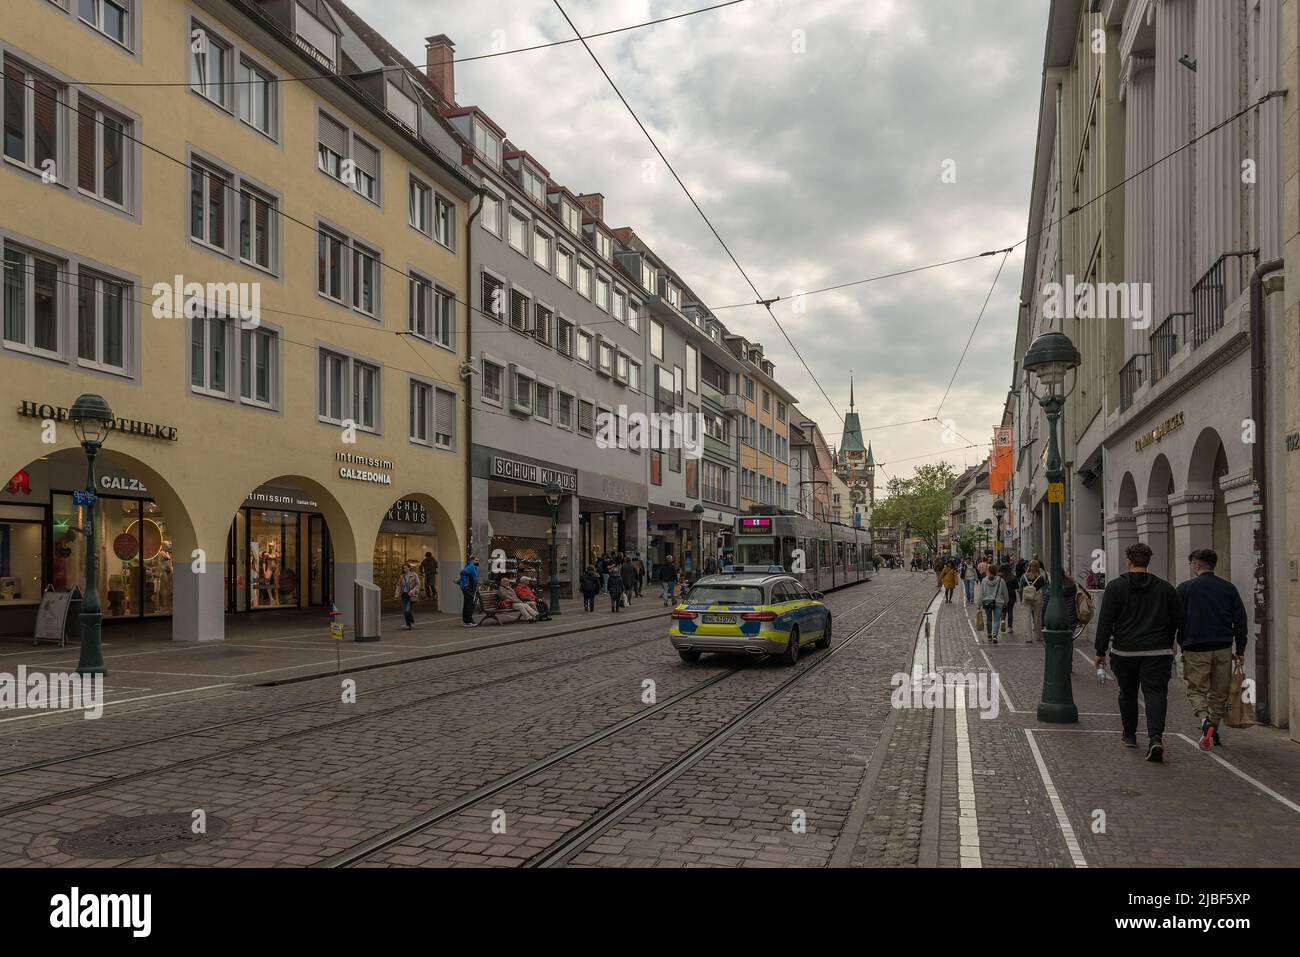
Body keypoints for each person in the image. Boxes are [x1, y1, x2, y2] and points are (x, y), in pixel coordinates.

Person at [1093, 543, 1184, 762]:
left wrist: (1100, 651)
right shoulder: (1165, 588)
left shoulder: (1115, 588)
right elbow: (1180, 620)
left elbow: (1105, 621)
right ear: (1147, 561)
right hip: (1158, 651)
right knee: (1156, 694)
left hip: (1125, 651)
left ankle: (1129, 734)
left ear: (1128, 561)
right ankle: (1155, 738)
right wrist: (1169, 641)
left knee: (1128, 693)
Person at [1176, 548, 1249, 750]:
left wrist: (1181, 643)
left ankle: (1204, 721)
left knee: (1197, 689)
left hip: (1195, 647)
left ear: (1197, 565)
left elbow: (1176, 619)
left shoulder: (1185, 588)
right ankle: (1213, 730)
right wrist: (1240, 649)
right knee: (1219, 692)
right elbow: (1240, 621)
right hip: (1223, 647)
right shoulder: (1228, 588)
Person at [1019, 560, 1047, 644]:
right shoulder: (1041, 577)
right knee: (1037, 617)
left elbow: (1020, 589)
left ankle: (1028, 637)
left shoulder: (1024, 577)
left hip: (1026, 597)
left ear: (1029, 567)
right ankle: (1038, 636)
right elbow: (1045, 590)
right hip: (1037, 597)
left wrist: (1021, 599)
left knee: (1026, 617)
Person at [978, 564, 1008, 643]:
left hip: (987, 602)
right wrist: (1006, 602)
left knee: (989, 619)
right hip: (998, 602)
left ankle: (989, 635)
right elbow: (1005, 593)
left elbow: (981, 593)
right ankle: (995, 635)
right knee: (997, 620)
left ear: (989, 571)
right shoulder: (1001, 581)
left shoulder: (984, 580)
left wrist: (979, 604)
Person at [395, 562, 421, 630]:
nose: (404, 569)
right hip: (404, 594)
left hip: (410, 594)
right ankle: (408, 624)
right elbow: (398, 585)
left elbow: (418, 584)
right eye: (403, 568)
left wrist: (413, 591)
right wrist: (397, 594)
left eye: (406, 568)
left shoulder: (413, 575)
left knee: (407, 610)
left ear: (409, 568)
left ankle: (411, 622)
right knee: (405, 611)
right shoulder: (402, 576)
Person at [458, 556, 480, 627]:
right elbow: (475, 578)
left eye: (478, 560)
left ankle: (467, 620)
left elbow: (463, 573)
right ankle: (468, 621)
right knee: (469, 605)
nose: (478, 562)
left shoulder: (468, 566)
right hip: (468, 588)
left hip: (467, 588)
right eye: (476, 560)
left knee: (468, 604)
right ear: (472, 560)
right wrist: (477, 587)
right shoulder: (471, 567)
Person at [999, 563, 1018, 635]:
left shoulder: (999, 577)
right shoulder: (1013, 577)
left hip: (1002, 595)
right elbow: (1016, 587)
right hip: (1011, 595)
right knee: (1010, 611)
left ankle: (1003, 621)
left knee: (1003, 610)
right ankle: (1010, 627)